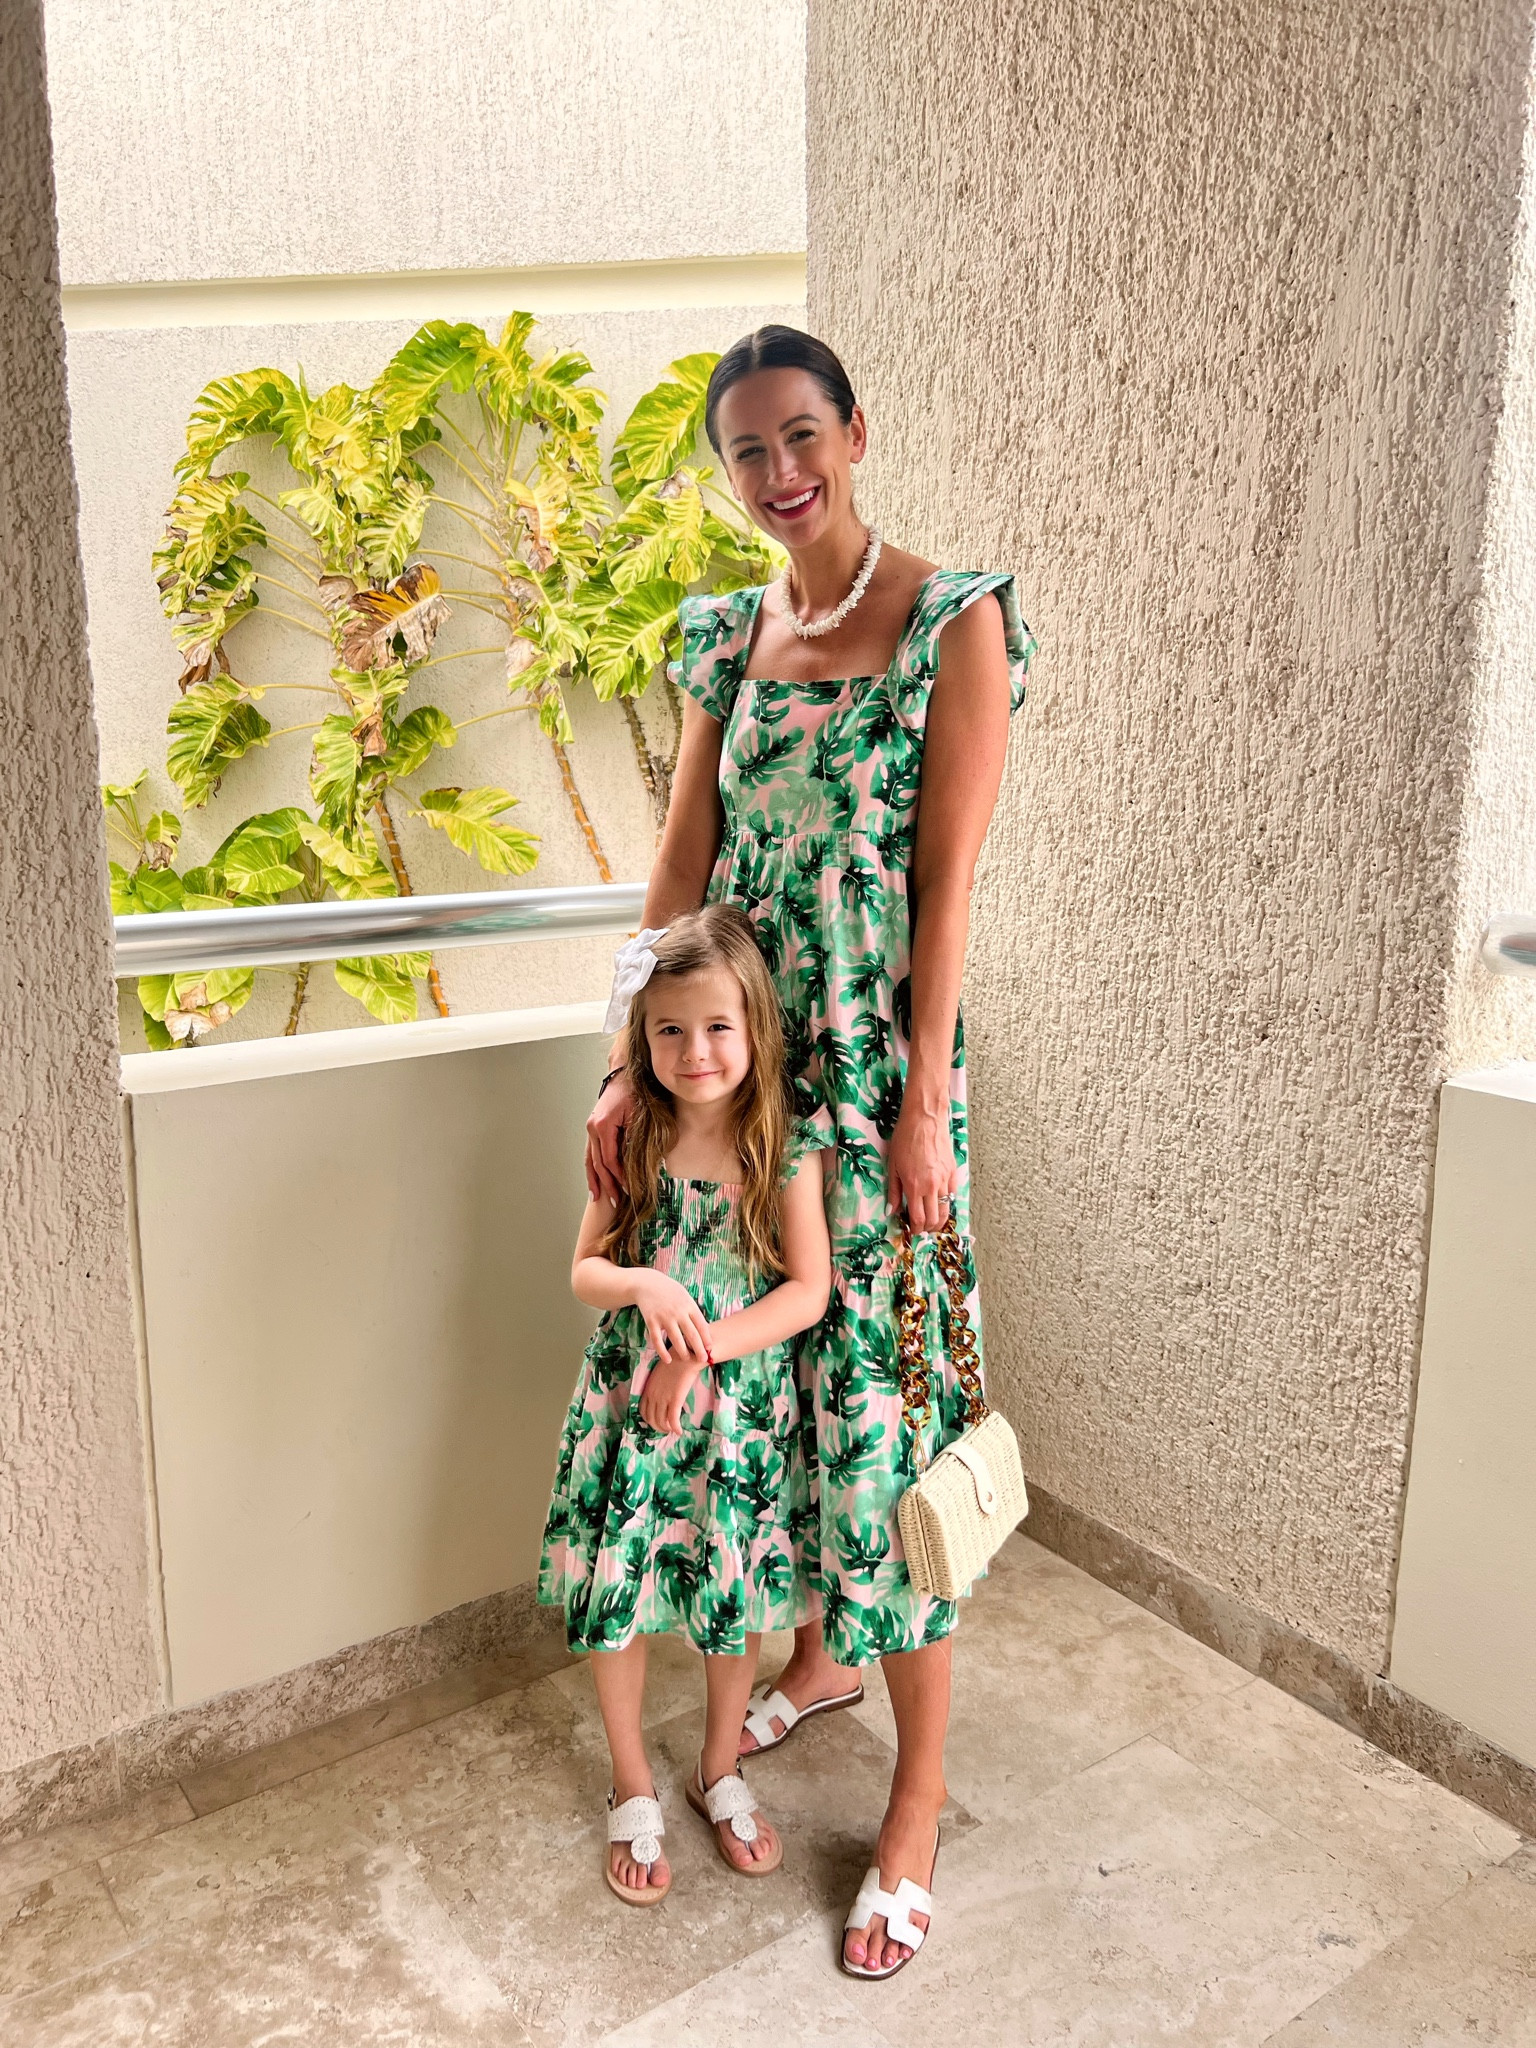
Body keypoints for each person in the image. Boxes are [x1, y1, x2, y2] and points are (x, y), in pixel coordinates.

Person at [587, 325, 1033, 1976]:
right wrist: (626, 1067)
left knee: (890, 1424)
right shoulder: (727, 632)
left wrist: (922, 1108)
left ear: (856, 429)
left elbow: (945, 888)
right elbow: (682, 857)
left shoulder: (953, 619)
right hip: (730, 1083)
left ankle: (913, 1800)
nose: (779, 477)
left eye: (801, 438)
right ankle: (823, 1655)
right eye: (747, 455)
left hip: (874, 1083)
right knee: (775, 1389)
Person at [540, 904, 832, 1906]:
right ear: (642, 1038)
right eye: (670, 1029)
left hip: (734, 1415)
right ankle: (630, 1780)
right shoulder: (638, 1135)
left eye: (717, 1026)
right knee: (618, 1590)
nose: (695, 1050)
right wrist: (648, 1290)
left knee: (729, 1599)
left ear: (753, 1027)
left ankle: (719, 1767)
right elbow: (584, 1268)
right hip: (632, 1408)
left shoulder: (781, 1147)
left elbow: (808, 1290)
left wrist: (698, 1350)